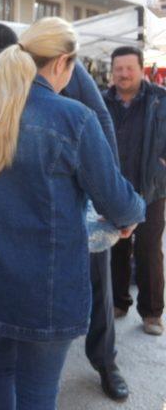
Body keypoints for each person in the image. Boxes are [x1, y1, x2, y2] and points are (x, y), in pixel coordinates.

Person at [0, 17, 145, 409]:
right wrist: (134, 214)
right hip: (46, 290)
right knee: (37, 391)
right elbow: (117, 201)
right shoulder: (74, 118)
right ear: (64, 62)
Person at [104, 46, 166, 336]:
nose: (124, 74)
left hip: (151, 188)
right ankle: (118, 301)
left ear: (141, 69)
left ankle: (152, 312)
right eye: (119, 69)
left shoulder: (160, 100)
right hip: (114, 189)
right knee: (115, 246)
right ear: (112, 71)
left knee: (148, 249)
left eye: (129, 68)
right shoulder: (102, 102)